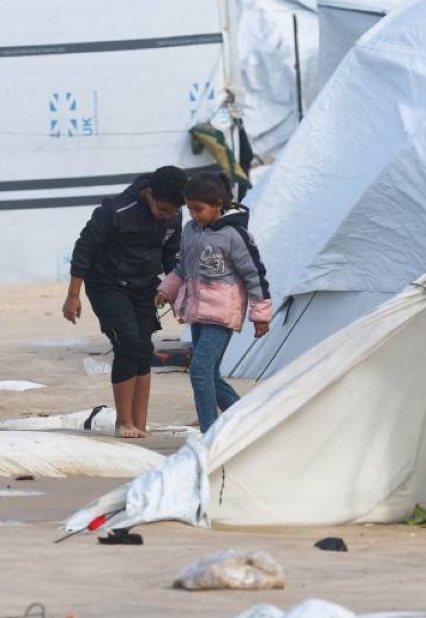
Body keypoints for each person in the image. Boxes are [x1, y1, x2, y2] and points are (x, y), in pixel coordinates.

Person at [64, 166, 188, 438]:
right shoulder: (115, 211)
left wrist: (177, 294)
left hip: (145, 286)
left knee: (144, 349)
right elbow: (84, 249)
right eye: (163, 209)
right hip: (107, 285)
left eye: (172, 212)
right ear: (148, 194)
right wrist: (73, 295)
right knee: (128, 342)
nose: (167, 216)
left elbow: (171, 257)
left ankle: (139, 425)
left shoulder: (174, 214)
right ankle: (123, 422)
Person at [156, 172, 272, 434]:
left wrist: (260, 314)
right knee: (210, 375)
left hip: (220, 315)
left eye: (199, 209)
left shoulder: (235, 235)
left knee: (199, 371)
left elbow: (255, 275)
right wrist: (166, 291)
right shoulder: (190, 231)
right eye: (190, 209)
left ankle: (210, 434)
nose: (193, 215)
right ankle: (247, 423)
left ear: (218, 204)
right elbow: (182, 269)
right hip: (197, 313)